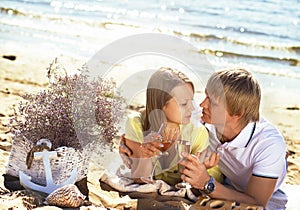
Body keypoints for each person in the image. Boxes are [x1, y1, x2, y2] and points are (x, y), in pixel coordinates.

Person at [179, 68, 287, 209]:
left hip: (266, 197)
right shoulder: (206, 119)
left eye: (213, 102)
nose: (202, 105)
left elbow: (256, 203)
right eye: (206, 96)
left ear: (237, 113)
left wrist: (206, 183)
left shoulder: (269, 144)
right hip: (229, 184)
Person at [121, 67, 222, 186]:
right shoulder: (136, 124)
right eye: (184, 103)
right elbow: (139, 179)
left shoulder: (197, 133)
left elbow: (197, 187)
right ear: (161, 104)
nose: (192, 108)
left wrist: (195, 169)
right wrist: (145, 156)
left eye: (191, 101)